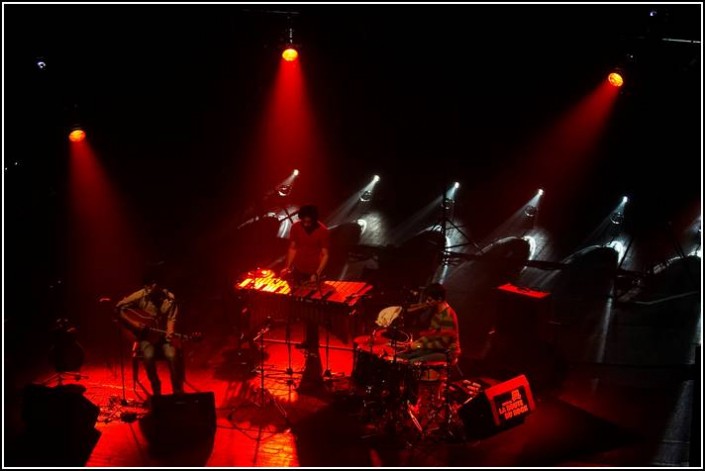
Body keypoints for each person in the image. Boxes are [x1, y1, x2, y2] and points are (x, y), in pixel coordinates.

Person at [279, 204, 330, 392]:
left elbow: (325, 254)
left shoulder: (323, 231)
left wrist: (317, 273)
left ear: (314, 220)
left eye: (309, 221)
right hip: (299, 272)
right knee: (302, 308)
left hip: (314, 274)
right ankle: (309, 340)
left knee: (312, 309)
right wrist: (287, 266)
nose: (306, 223)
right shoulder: (296, 227)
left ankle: (313, 341)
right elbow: (292, 247)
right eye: (304, 220)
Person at [115, 274, 184, 397]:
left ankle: (177, 390)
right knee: (148, 356)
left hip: (163, 338)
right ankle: (156, 386)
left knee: (172, 355)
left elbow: (171, 318)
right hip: (146, 338)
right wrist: (134, 324)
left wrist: (170, 331)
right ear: (146, 287)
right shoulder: (139, 295)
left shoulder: (169, 299)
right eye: (151, 284)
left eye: (157, 284)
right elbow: (119, 308)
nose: (154, 287)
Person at [398, 282, 461, 364]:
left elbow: (443, 345)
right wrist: (416, 342)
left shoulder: (447, 316)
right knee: (400, 357)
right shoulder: (436, 311)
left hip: (447, 353)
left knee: (410, 363)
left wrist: (418, 345)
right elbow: (432, 336)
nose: (427, 302)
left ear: (439, 299)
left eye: (430, 300)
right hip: (435, 349)